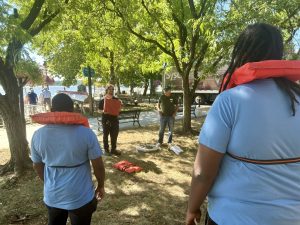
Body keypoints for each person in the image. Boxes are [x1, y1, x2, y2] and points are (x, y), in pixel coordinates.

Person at [185, 23, 300, 225]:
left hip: (231, 217)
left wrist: (192, 208)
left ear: (242, 52)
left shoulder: (229, 100)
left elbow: (203, 172)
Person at [31, 93, 105, 225]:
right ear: (72, 110)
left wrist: (48, 182)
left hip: (53, 195)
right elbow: (98, 165)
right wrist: (101, 185)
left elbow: (37, 166)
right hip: (81, 196)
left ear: (52, 110)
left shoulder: (38, 135)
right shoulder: (86, 133)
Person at [98, 84, 122, 156]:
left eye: (112, 89)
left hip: (114, 119)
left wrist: (120, 107)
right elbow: (99, 110)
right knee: (106, 135)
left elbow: (119, 110)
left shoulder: (116, 99)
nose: (111, 90)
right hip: (106, 120)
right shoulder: (103, 99)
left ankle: (113, 149)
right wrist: (103, 111)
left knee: (114, 135)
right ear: (107, 90)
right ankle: (106, 150)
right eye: (110, 89)